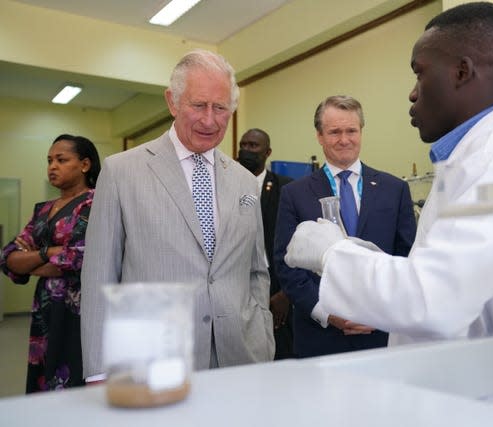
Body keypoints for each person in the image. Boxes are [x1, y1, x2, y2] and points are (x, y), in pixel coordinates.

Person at [284, 2, 493, 420]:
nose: (412, 90)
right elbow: (443, 278)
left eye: (419, 72)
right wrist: (362, 256)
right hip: (457, 393)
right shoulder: (471, 158)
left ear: (462, 71)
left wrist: (334, 253)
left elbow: (435, 299)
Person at [80, 50, 274, 381]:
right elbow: (100, 276)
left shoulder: (243, 179)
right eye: (199, 106)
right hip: (154, 360)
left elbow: (257, 270)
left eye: (221, 108)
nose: (210, 120)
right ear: (172, 102)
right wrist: (98, 370)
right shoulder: (121, 171)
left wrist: (263, 332)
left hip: (242, 356)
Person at [274, 95, 416, 358]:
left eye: (351, 130)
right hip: (319, 338)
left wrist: (383, 311)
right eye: (334, 132)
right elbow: (286, 265)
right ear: (319, 136)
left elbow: (406, 258)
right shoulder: (295, 194)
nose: (344, 139)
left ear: (361, 131)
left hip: (381, 334)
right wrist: (326, 312)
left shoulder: (394, 190)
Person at [1, 134, 100, 393]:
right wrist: (49, 253)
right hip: (45, 310)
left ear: (84, 165)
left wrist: (32, 259)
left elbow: (78, 258)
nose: (52, 166)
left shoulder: (95, 203)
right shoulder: (43, 210)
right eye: (49, 160)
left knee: (73, 380)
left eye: (61, 159)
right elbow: (9, 256)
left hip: (78, 310)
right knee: (43, 376)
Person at [238, 128, 295, 359]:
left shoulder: (287, 188)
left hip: (277, 294)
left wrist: (286, 294)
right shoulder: (226, 185)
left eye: (254, 146)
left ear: (268, 152)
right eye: (244, 145)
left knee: (279, 357)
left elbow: (295, 245)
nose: (247, 150)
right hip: (238, 289)